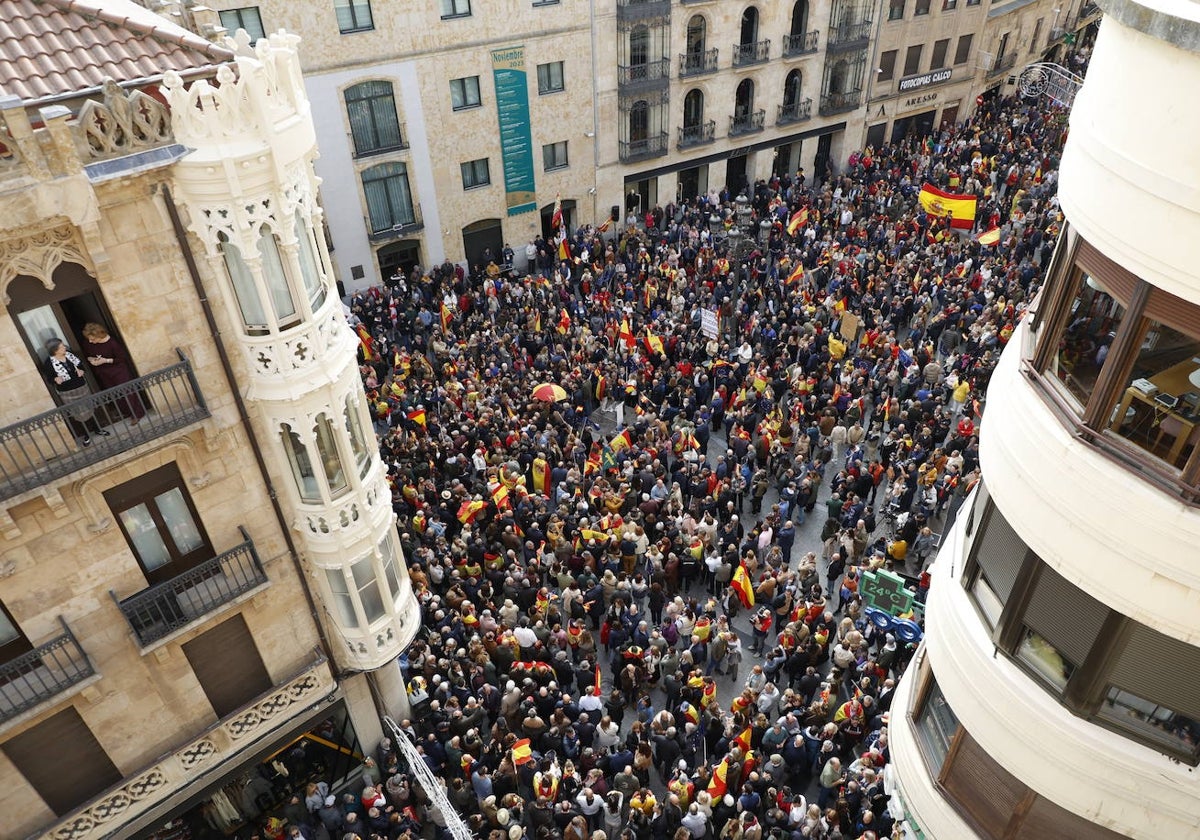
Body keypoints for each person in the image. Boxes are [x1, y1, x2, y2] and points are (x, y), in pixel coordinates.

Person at [43, 337, 109, 446]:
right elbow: (49, 379)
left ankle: (97, 429)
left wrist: (81, 370)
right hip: (67, 392)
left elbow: (81, 365)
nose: (64, 347)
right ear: (55, 350)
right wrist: (55, 379)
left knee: (89, 408)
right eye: (61, 347)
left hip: (81, 387)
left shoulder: (69, 354)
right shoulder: (48, 363)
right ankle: (86, 435)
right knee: (77, 413)